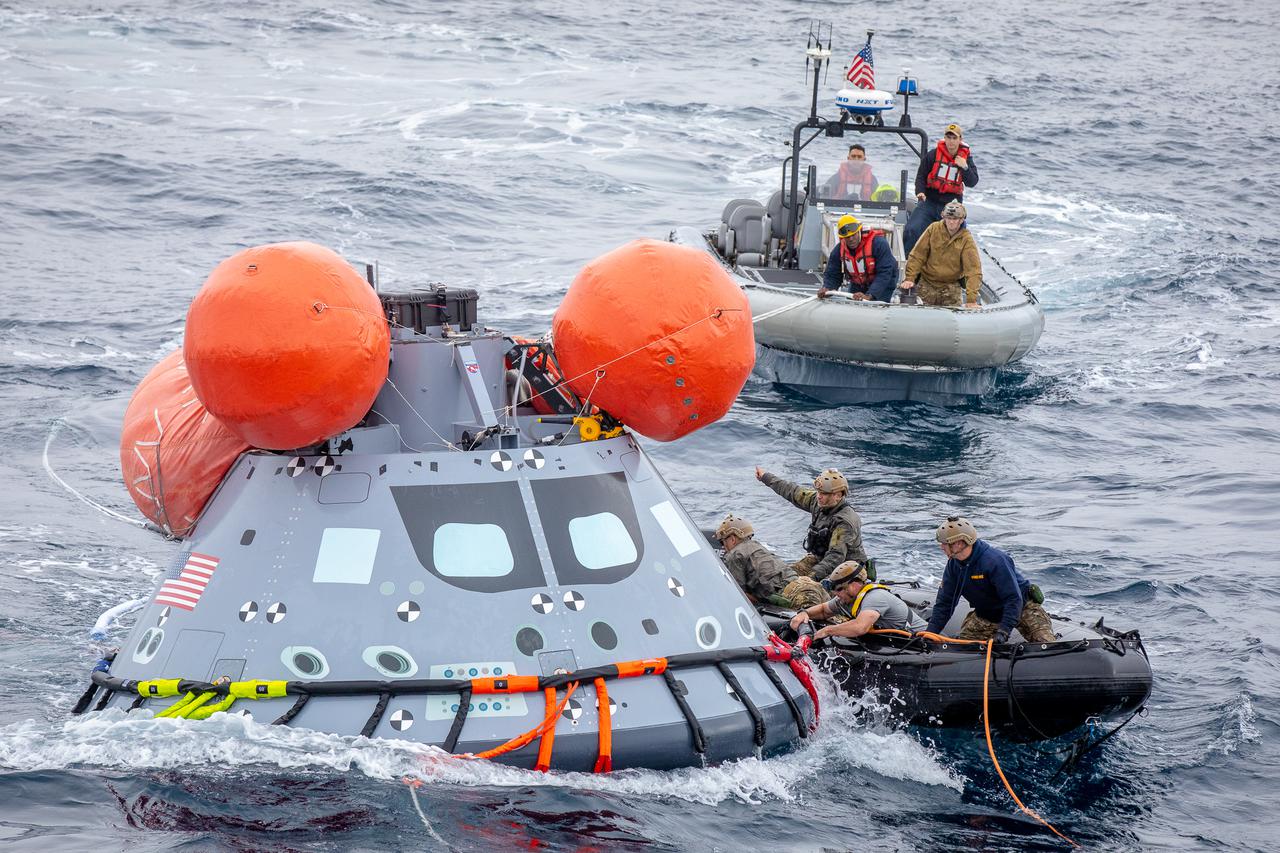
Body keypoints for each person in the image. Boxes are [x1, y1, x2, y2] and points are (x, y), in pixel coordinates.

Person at [924, 516, 1055, 644]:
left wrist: (1003, 631)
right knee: (962, 650)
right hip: (987, 614)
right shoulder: (954, 565)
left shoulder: (994, 561)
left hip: (1022, 608)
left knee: (1046, 644)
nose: (941, 547)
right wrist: (930, 634)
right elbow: (945, 604)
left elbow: (1013, 599)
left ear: (958, 543)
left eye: (944, 543)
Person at [754, 465, 867, 583]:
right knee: (784, 578)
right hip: (820, 559)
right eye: (818, 491)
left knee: (806, 591)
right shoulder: (818, 502)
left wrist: (810, 578)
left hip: (848, 570)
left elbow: (835, 558)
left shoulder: (844, 522)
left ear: (838, 495)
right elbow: (792, 491)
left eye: (823, 493)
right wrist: (765, 477)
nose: (818, 496)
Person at [713, 514, 828, 610]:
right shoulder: (757, 547)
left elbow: (738, 595)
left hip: (795, 595)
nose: (724, 547)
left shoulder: (735, 554)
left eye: (723, 542)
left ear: (732, 539)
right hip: (808, 584)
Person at [789, 561, 926, 640]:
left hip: (924, 641)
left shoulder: (875, 597)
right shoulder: (845, 599)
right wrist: (804, 613)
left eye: (839, 589)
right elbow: (824, 610)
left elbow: (861, 627)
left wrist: (828, 631)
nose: (836, 594)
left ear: (855, 585)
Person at [903, 123, 979, 256]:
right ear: (945, 138)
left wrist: (965, 167)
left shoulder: (965, 159)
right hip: (929, 202)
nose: (951, 141)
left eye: (954, 138)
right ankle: (908, 264)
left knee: (958, 237)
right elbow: (921, 175)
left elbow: (972, 182)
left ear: (960, 140)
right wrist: (920, 191)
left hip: (951, 205)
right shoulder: (933, 155)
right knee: (912, 229)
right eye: (948, 137)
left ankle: (955, 271)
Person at [900, 201, 982, 308]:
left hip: (951, 287)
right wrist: (910, 278)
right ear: (944, 217)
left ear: (961, 220)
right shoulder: (933, 229)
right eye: (949, 218)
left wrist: (971, 299)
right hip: (927, 284)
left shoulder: (966, 239)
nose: (951, 222)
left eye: (955, 219)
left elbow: (973, 269)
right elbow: (917, 255)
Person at [820, 214, 899, 303]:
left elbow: (885, 272)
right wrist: (827, 288)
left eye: (853, 235)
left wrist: (870, 295)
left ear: (859, 231)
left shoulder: (878, 244)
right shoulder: (838, 251)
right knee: (852, 305)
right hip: (858, 283)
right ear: (842, 237)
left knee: (876, 305)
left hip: (883, 281)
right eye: (847, 237)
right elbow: (833, 274)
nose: (851, 239)